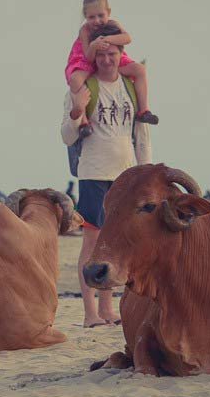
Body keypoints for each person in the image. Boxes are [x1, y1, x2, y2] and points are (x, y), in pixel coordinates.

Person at [61, 22, 151, 328]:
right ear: (93, 56)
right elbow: (66, 136)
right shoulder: (83, 88)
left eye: (112, 53)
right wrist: (77, 112)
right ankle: (90, 314)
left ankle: (108, 310)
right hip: (93, 174)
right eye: (100, 54)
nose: (106, 59)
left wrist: (145, 172)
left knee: (117, 244)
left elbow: (141, 134)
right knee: (92, 244)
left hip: (126, 176)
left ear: (121, 53)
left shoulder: (130, 87)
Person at [66, 0, 158, 138]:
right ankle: (83, 122)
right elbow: (89, 57)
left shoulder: (113, 25)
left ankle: (143, 110)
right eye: (91, 17)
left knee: (139, 69)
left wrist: (108, 39)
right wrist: (95, 45)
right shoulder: (85, 30)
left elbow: (127, 38)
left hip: (109, 61)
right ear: (85, 16)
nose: (97, 21)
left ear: (108, 12)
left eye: (101, 15)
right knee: (75, 80)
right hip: (88, 60)